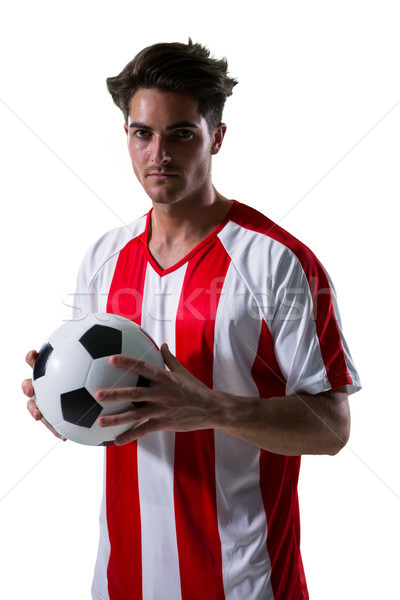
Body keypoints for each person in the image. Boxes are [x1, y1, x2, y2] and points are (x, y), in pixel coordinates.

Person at [23, 40, 361, 600]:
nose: (159, 154)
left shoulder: (277, 262)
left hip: (246, 582)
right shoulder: (103, 259)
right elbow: (112, 409)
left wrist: (212, 408)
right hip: (122, 580)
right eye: (142, 133)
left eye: (181, 133)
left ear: (216, 138)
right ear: (127, 137)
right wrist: (60, 404)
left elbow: (332, 429)